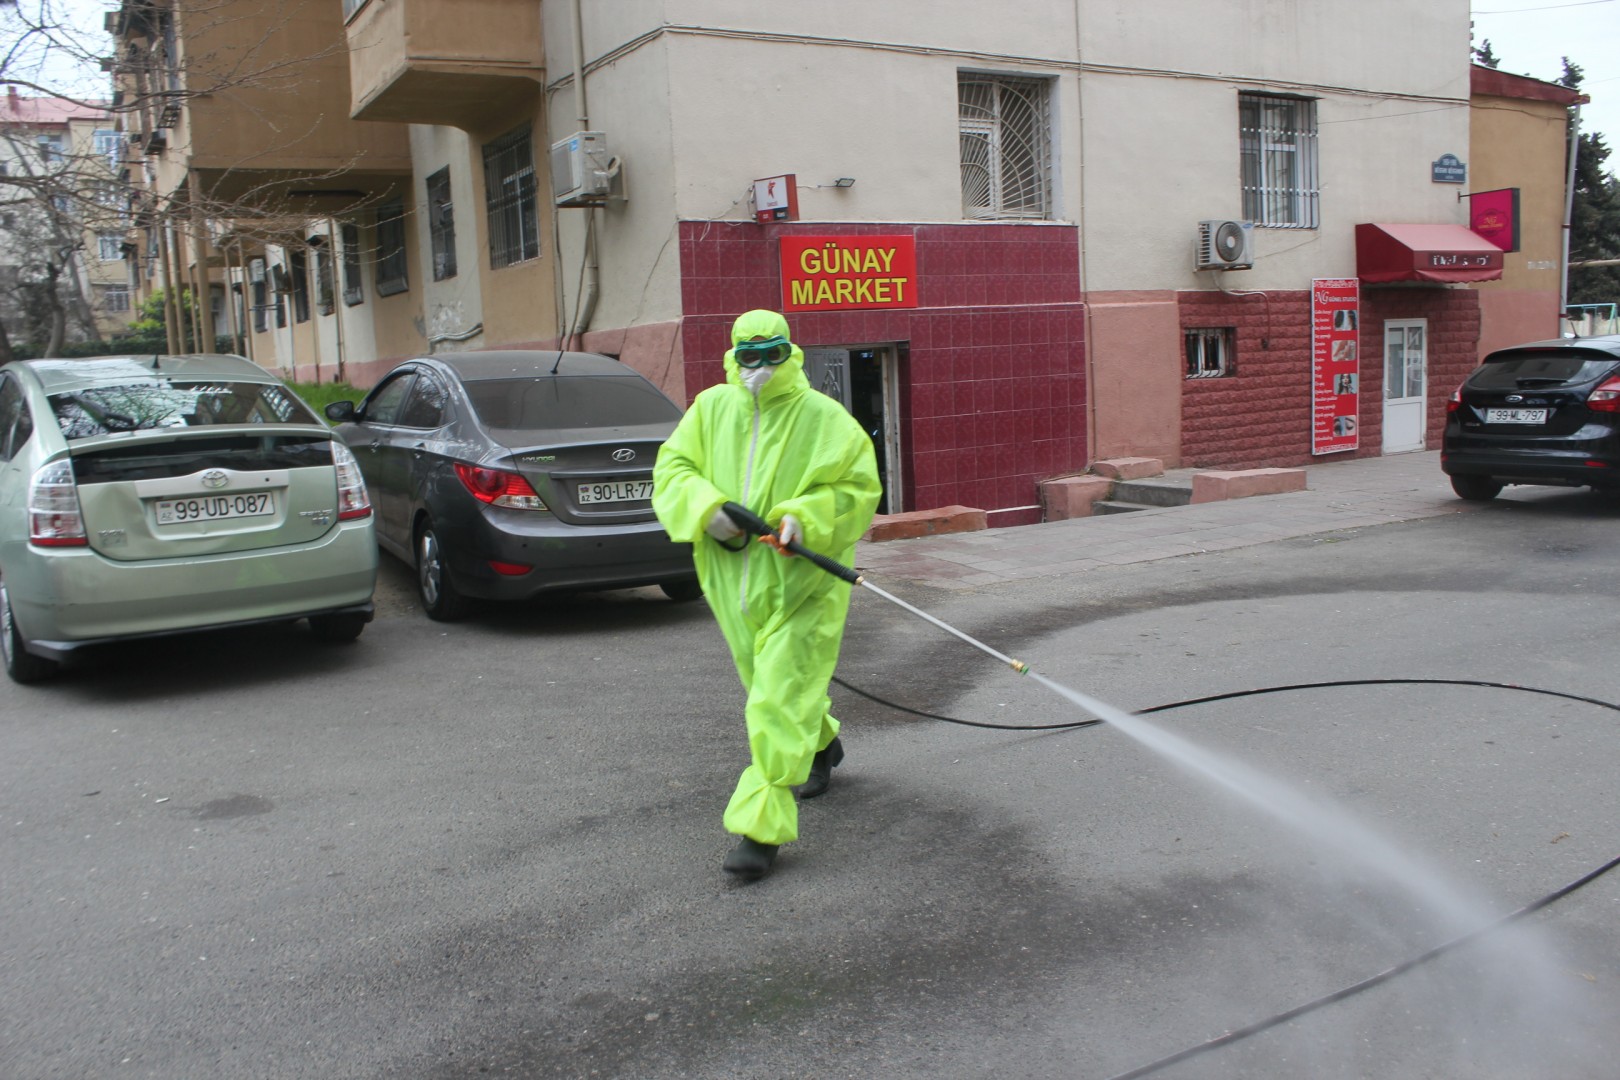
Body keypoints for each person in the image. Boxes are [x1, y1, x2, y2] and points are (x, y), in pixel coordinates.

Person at [653, 309, 881, 881]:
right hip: (733, 583)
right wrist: (709, 510)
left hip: (806, 584)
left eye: (772, 354)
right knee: (770, 683)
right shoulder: (709, 410)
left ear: (791, 353)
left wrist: (803, 518)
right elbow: (673, 470)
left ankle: (760, 826)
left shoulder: (823, 418)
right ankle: (823, 745)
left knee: (775, 699)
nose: (760, 367)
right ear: (733, 356)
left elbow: (857, 486)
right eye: (749, 356)